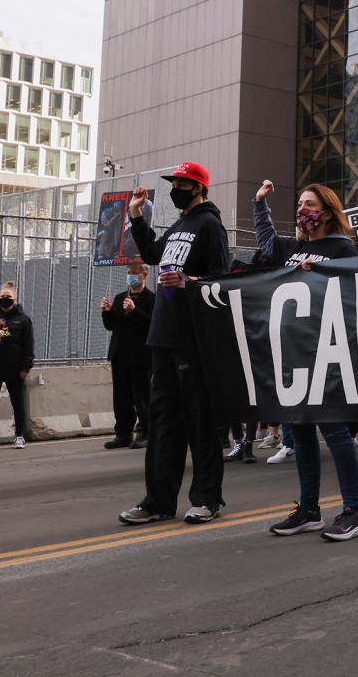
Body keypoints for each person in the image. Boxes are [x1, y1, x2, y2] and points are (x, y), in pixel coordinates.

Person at [255, 179, 358, 541]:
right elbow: (268, 244)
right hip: (293, 351)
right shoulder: (294, 247)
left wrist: (320, 275)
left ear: (327, 211)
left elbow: (357, 289)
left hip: (327, 351)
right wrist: (261, 204)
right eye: (300, 203)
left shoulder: (343, 247)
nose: (303, 209)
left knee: (333, 430)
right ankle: (309, 509)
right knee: (300, 430)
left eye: (310, 204)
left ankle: (354, 511)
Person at [117, 162, 232, 525]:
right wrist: (136, 214)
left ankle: (206, 498)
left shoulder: (210, 225)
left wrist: (190, 280)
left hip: (192, 338)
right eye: (174, 182)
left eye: (182, 183)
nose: (176, 188)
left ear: (198, 187)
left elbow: (222, 279)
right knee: (163, 423)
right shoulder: (180, 225)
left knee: (199, 420)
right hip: (163, 337)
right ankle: (158, 500)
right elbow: (151, 253)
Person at [100, 263, 155, 449]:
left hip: (140, 356)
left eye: (134, 273)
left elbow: (152, 324)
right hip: (120, 354)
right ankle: (123, 433)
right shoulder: (120, 298)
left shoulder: (151, 299)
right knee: (121, 397)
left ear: (144, 275)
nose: (131, 276)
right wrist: (106, 312)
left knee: (142, 396)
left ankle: (145, 431)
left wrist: (135, 311)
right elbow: (111, 325)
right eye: (129, 273)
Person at [0, 281, 35, 449]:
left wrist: (25, 367)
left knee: (18, 403)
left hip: (14, 369)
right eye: (2, 297)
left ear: (14, 299)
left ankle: (19, 435)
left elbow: (28, 346)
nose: (5, 299)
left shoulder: (23, 320)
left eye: (8, 297)